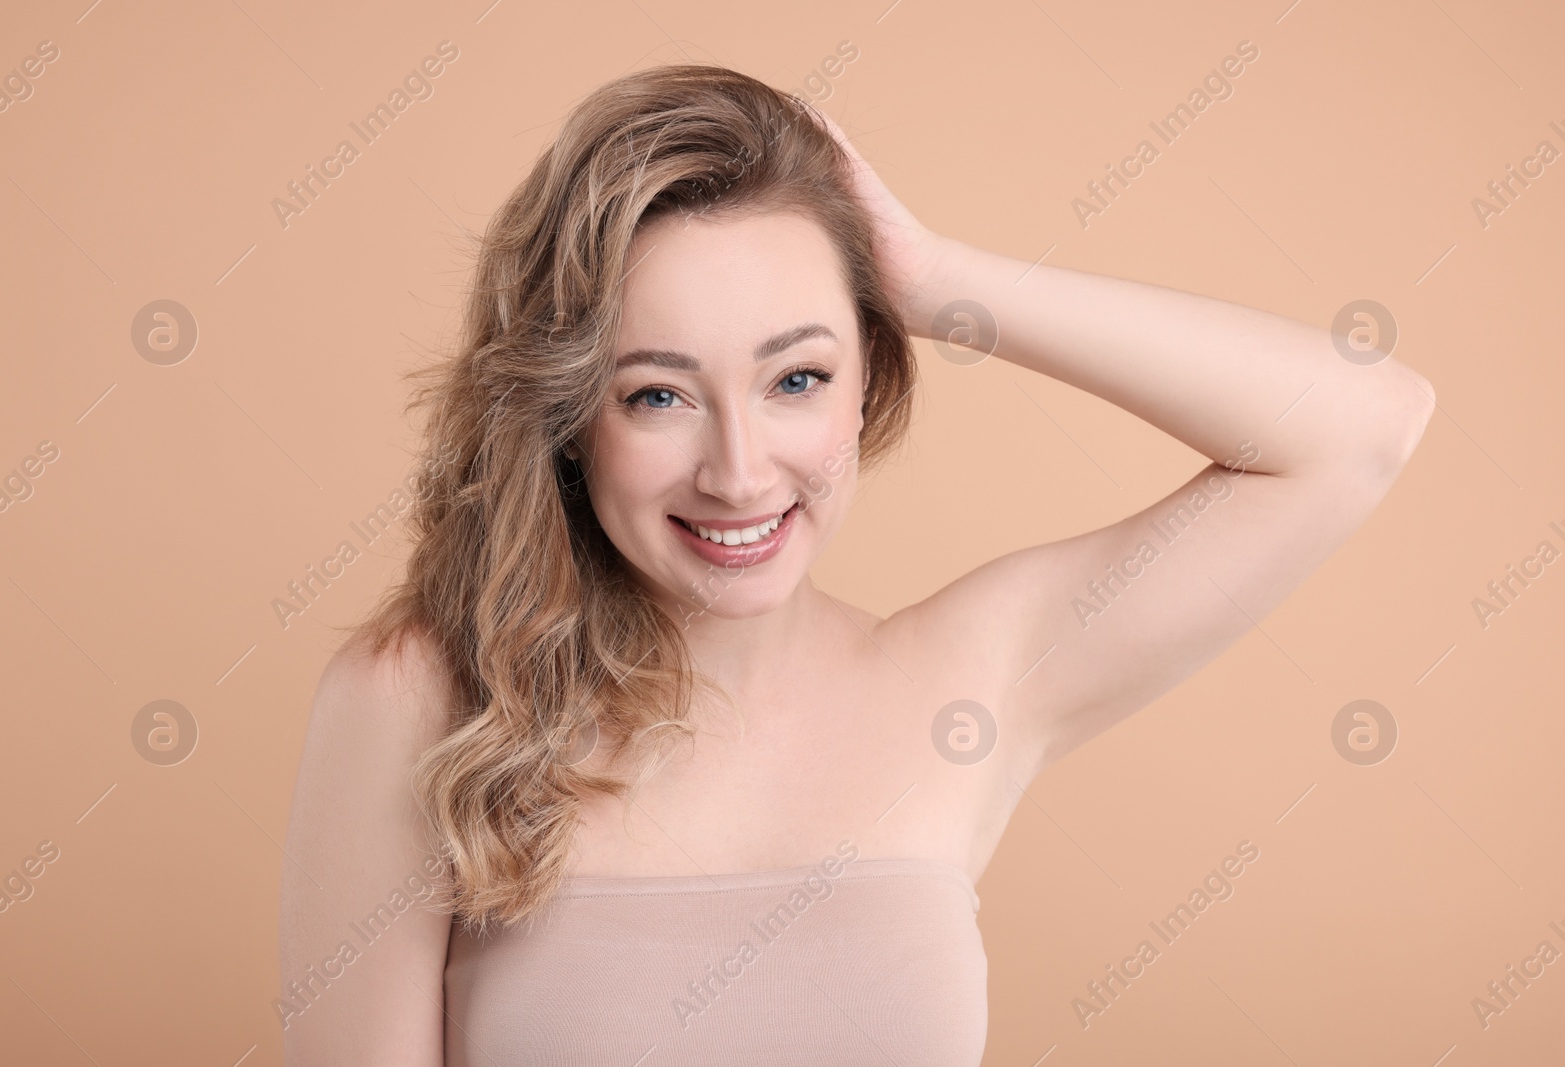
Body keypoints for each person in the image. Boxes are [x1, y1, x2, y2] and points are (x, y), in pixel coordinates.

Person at [277, 64, 1434, 1065]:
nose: (738, 471)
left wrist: (937, 282)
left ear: (871, 377)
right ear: (569, 414)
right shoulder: (422, 700)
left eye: (796, 378)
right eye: (658, 394)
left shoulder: (970, 678)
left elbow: (1357, 430)